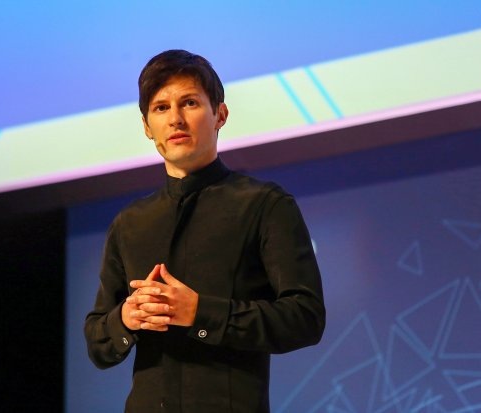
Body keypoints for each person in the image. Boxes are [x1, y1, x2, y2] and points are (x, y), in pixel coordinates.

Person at [84, 49, 325, 413]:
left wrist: (200, 312)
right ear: (147, 127)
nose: (175, 119)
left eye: (190, 103)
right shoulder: (129, 223)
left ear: (220, 115)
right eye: (161, 108)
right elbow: (98, 342)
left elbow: (305, 317)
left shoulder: (264, 205)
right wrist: (127, 317)